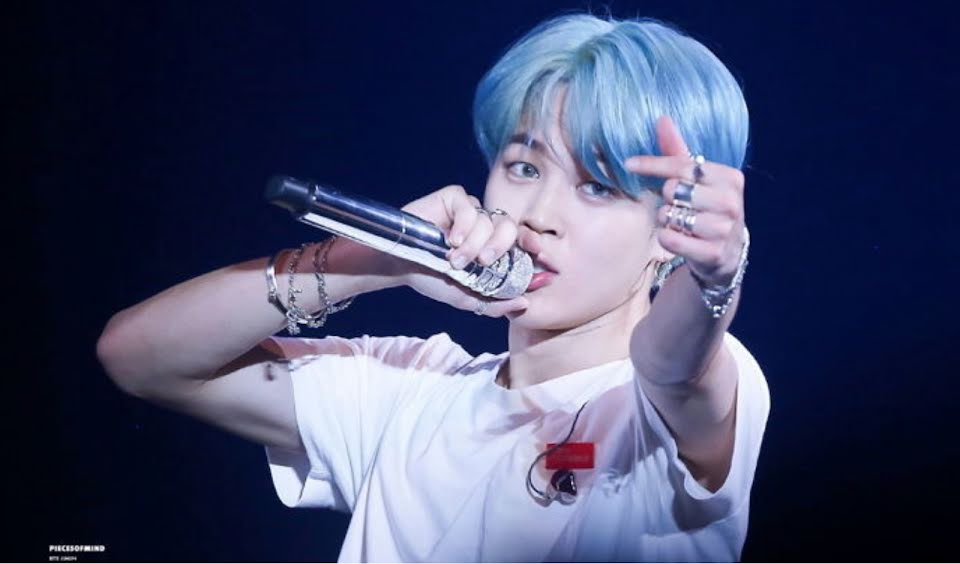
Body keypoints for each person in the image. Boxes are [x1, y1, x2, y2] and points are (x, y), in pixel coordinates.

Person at [96, 11, 770, 563]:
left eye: (596, 186)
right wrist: (376, 260)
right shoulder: (412, 387)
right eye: (525, 167)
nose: (539, 215)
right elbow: (139, 358)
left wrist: (716, 273)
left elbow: (673, 366)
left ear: (669, 231)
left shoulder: (676, 399)